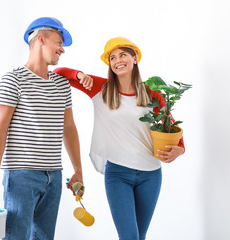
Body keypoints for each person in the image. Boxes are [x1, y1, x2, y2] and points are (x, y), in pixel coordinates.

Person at [54, 37, 185, 240]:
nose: (117, 60)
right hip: (117, 174)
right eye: (112, 58)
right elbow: (58, 73)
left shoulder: (152, 94)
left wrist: (181, 148)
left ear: (134, 58)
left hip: (151, 174)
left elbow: (172, 126)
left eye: (122, 54)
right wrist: (79, 74)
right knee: (129, 237)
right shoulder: (100, 88)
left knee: (139, 236)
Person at [0, 17, 87, 240]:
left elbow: (68, 128)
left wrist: (78, 169)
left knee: (44, 237)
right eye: (58, 43)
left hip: (54, 176)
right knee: (16, 236)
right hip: (21, 176)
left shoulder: (61, 84)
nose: (62, 50)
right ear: (41, 39)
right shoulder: (12, 80)